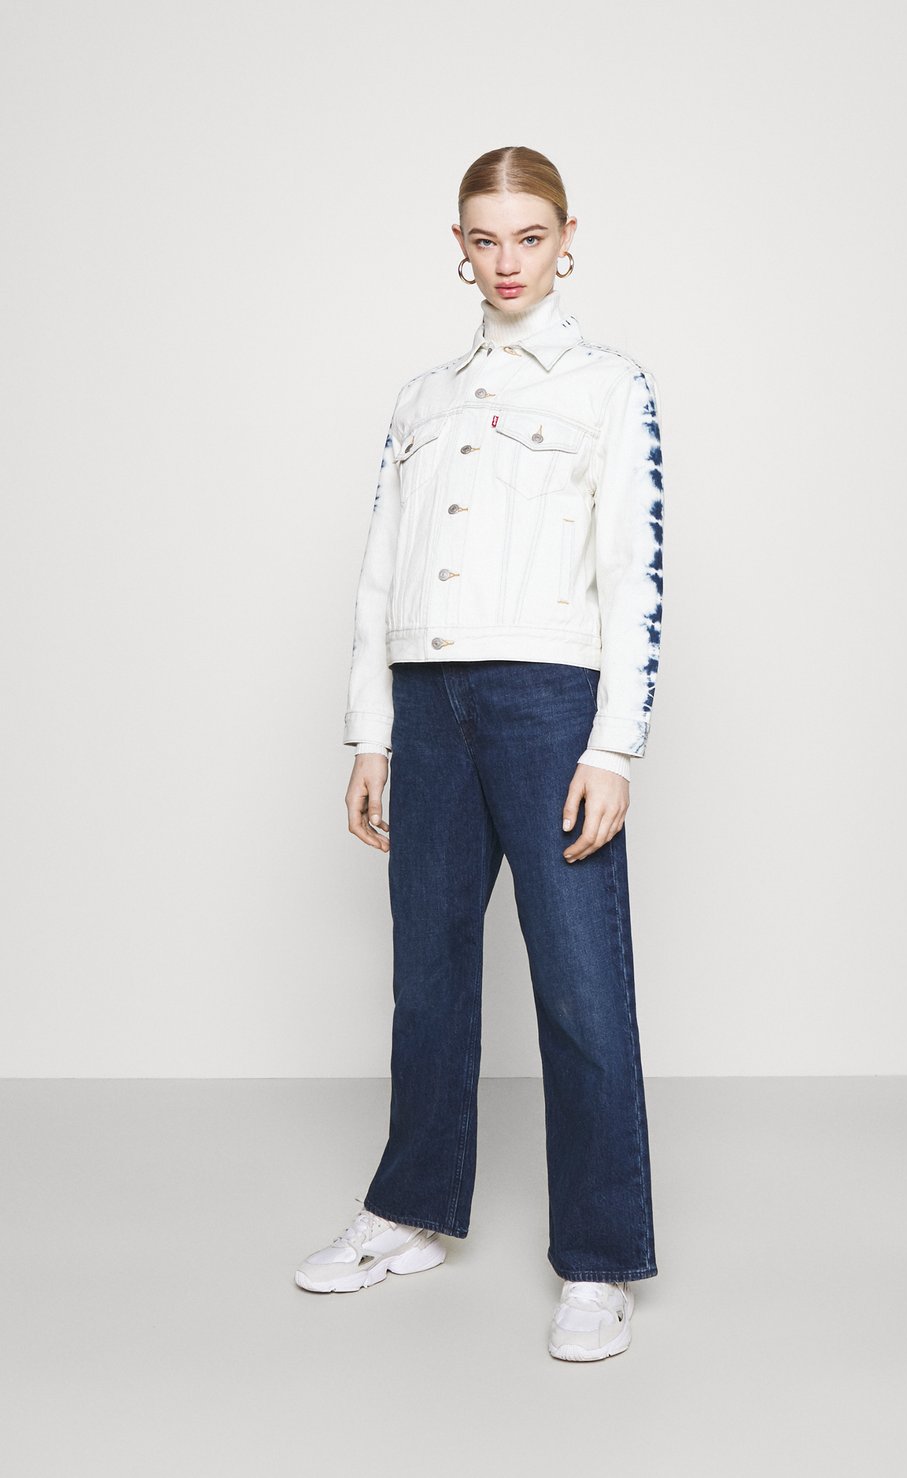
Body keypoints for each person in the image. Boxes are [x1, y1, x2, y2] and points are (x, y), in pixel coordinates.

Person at [294, 145, 665, 1363]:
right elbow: (378, 573)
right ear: (459, 246)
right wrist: (371, 729)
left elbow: (635, 571)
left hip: (547, 701)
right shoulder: (422, 399)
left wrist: (613, 744)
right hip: (425, 697)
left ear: (566, 239)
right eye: (485, 238)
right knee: (429, 973)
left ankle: (599, 1257)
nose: (507, 261)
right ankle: (409, 1207)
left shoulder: (608, 385)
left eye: (529, 236)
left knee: (579, 985)